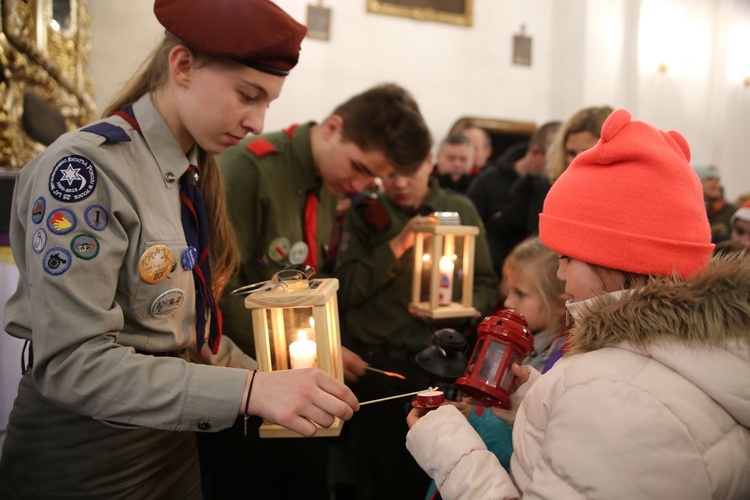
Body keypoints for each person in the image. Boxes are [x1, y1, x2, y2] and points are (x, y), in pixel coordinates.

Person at [0, 1, 361, 498]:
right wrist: (252, 390)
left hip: (169, 446)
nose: (257, 122)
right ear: (183, 66)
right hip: (85, 460)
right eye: (247, 95)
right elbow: (73, 364)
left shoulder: (191, 170)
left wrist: (286, 384)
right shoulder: (85, 173)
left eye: (267, 104)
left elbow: (189, 333)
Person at [404, 109, 750, 499]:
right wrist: (535, 399)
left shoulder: (613, 395)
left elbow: (611, 416)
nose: (560, 274)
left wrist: (449, 449)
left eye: (568, 257)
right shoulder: (676, 356)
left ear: (620, 259)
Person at [198, 82, 432, 500]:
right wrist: (294, 352)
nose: (363, 186)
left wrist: (323, 346)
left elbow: (301, 286)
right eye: (360, 168)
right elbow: (216, 296)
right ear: (333, 128)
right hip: (245, 383)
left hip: (296, 381)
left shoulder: (327, 182)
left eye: (374, 177)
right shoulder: (250, 171)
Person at [333, 151, 498, 499]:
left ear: (429, 163)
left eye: (410, 171)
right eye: (391, 174)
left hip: (438, 363)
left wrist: (460, 313)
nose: (401, 183)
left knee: (427, 472)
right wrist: (398, 244)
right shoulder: (367, 213)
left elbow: (484, 283)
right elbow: (345, 289)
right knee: (372, 472)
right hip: (375, 367)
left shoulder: (459, 209)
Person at [423, 236, 567, 500]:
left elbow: (526, 442)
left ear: (558, 304)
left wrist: (474, 419)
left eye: (521, 294)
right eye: (508, 291)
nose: (509, 302)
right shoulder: (504, 342)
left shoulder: (560, 365)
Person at [490, 106, 612, 288]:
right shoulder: (542, 189)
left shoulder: (618, 201)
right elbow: (498, 231)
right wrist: (509, 275)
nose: (576, 161)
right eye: (571, 153)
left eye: (587, 151)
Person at [467, 121, 561, 274]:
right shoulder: (486, 182)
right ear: (535, 152)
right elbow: (488, 234)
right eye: (554, 159)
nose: (559, 167)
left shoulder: (550, 187)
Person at [694, 164, 736, 244]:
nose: (715, 183)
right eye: (709, 179)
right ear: (697, 181)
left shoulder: (729, 210)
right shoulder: (689, 207)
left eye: (717, 180)